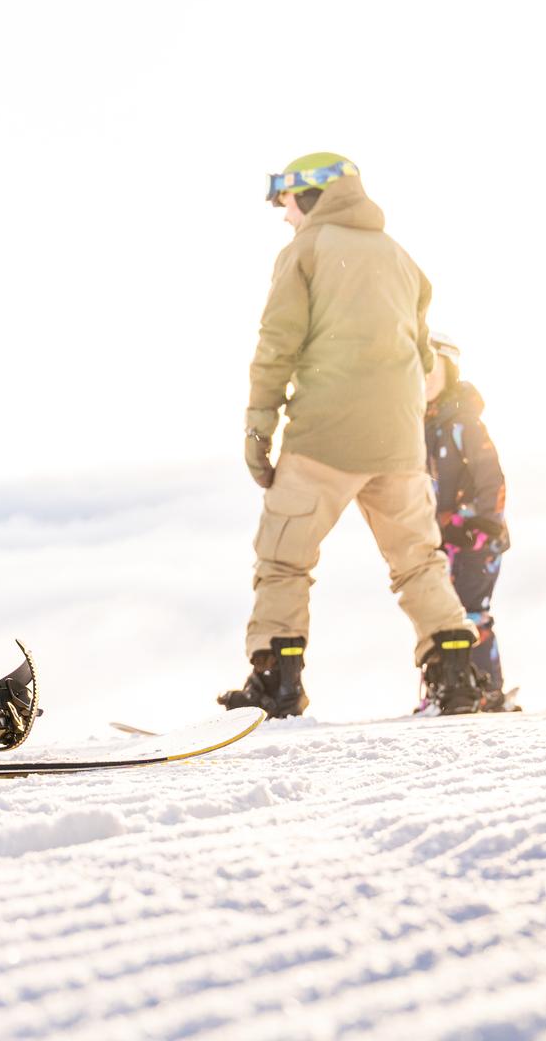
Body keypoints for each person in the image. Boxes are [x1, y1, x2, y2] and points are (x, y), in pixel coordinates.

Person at [220, 153, 483, 719]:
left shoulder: (306, 252)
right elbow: (421, 360)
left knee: (284, 560)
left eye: (285, 200)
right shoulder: (402, 259)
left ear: (313, 196)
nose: (282, 214)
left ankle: (277, 683)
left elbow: (277, 344)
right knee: (418, 560)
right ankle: (455, 676)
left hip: (324, 440)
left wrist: (258, 425)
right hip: (399, 445)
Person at [424, 329, 512, 705]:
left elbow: (490, 475)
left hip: (476, 538)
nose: (425, 380)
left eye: (433, 370)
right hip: (442, 539)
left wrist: (482, 522)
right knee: (442, 618)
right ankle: (445, 688)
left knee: (471, 614)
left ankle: (488, 689)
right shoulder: (420, 427)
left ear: (450, 372)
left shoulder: (463, 425)